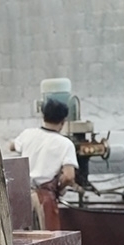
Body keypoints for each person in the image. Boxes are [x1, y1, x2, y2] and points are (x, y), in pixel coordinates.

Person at [9, 98, 78, 231]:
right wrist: (59, 188)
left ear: (43, 116)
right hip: (45, 198)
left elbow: (11, 146)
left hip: (22, 196)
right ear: (63, 121)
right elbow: (69, 176)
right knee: (47, 239)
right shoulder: (66, 144)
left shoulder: (27, 134)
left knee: (22, 238)